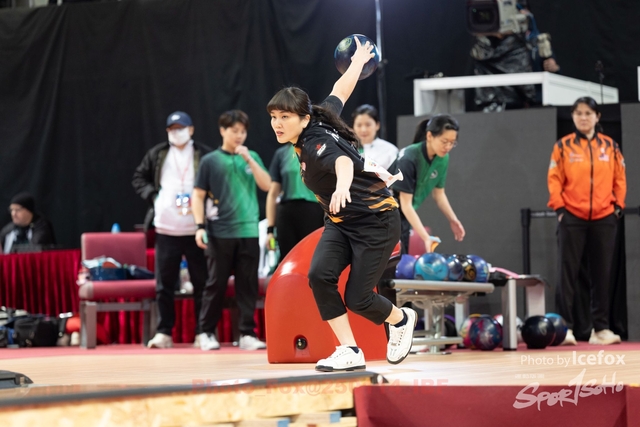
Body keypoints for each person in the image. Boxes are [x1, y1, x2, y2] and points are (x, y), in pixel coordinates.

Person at [266, 37, 416, 372]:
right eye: (274, 116)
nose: (277, 123)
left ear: (303, 118)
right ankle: (349, 350)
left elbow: (343, 163)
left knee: (358, 299)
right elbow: (341, 90)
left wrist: (343, 187)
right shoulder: (321, 116)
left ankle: (401, 319)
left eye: (285, 116)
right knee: (319, 275)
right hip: (340, 222)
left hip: (376, 221)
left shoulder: (315, 143)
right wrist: (358, 64)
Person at [548, 96, 626, 346]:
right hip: (572, 216)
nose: (583, 117)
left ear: (597, 117)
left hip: (604, 217)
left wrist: (617, 206)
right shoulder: (563, 146)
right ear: (573, 116)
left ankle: (600, 329)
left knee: (602, 274)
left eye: (588, 113)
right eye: (579, 113)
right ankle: (564, 328)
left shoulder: (610, 146)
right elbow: (554, 179)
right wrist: (560, 208)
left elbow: (620, 178)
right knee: (567, 274)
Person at [192, 110, 271, 351]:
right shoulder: (210, 161)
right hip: (220, 233)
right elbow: (198, 196)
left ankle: (247, 333)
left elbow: (267, 185)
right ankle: (205, 332)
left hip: (249, 232)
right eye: (234, 131)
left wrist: (249, 160)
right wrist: (199, 226)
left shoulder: (252, 156)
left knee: (247, 286)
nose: (239, 136)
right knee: (215, 284)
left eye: (243, 131)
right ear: (222, 131)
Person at [132, 111, 212, 349]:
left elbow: (215, 181)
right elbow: (139, 178)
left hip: (196, 228)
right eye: (172, 129)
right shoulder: (158, 154)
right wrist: (153, 196)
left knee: (201, 282)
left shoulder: (203, 154)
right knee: (164, 284)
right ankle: (164, 332)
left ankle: (202, 331)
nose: (177, 133)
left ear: (191, 129)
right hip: (166, 228)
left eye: (181, 128)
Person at [390, 115, 465, 255]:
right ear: (429, 136)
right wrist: (426, 237)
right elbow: (406, 205)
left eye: (452, 143)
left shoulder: (443, 158)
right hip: (384, 214)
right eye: (444, 141)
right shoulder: (409, 158)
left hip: (402, 216)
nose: (448, 147)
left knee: (401, 258)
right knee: (394, 260)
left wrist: (453, 220)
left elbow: (439, 194)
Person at [266, 143, 325, 263]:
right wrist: (270, 231)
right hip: (287, 213)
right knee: (287, 259)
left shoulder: (320, 149)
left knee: (311, 259)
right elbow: (273, 194)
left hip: (313, 212)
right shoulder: (281, 154)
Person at [351, 104, 398, 169]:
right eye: (359, 125)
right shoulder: (349, 149)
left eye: (368, 125)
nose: (363, 130)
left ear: (377, 125)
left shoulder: (390, 150)